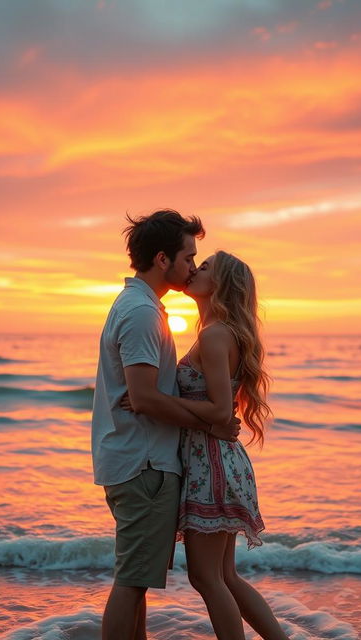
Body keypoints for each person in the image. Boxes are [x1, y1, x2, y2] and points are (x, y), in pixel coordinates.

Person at [91, 210, 241, 640]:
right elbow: (143, 398)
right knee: (133, 581)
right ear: (162, 259)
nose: (193, 266)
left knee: (136, 582)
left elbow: (145, 396)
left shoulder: (141, 307)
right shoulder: (141, 313)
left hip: (136, 461)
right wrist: (213, 421)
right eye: (188, 257)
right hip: (145, 465)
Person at [124, 250, 287, 640]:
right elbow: (219, 413)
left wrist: (151, 401)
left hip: (210, 463)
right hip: (218, 460)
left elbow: (218, 410)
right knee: (224, 576)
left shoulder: (215, 335)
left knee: (206, 576)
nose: (196, 269)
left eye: (207, 267)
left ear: (222, 284)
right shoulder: (218, 331)